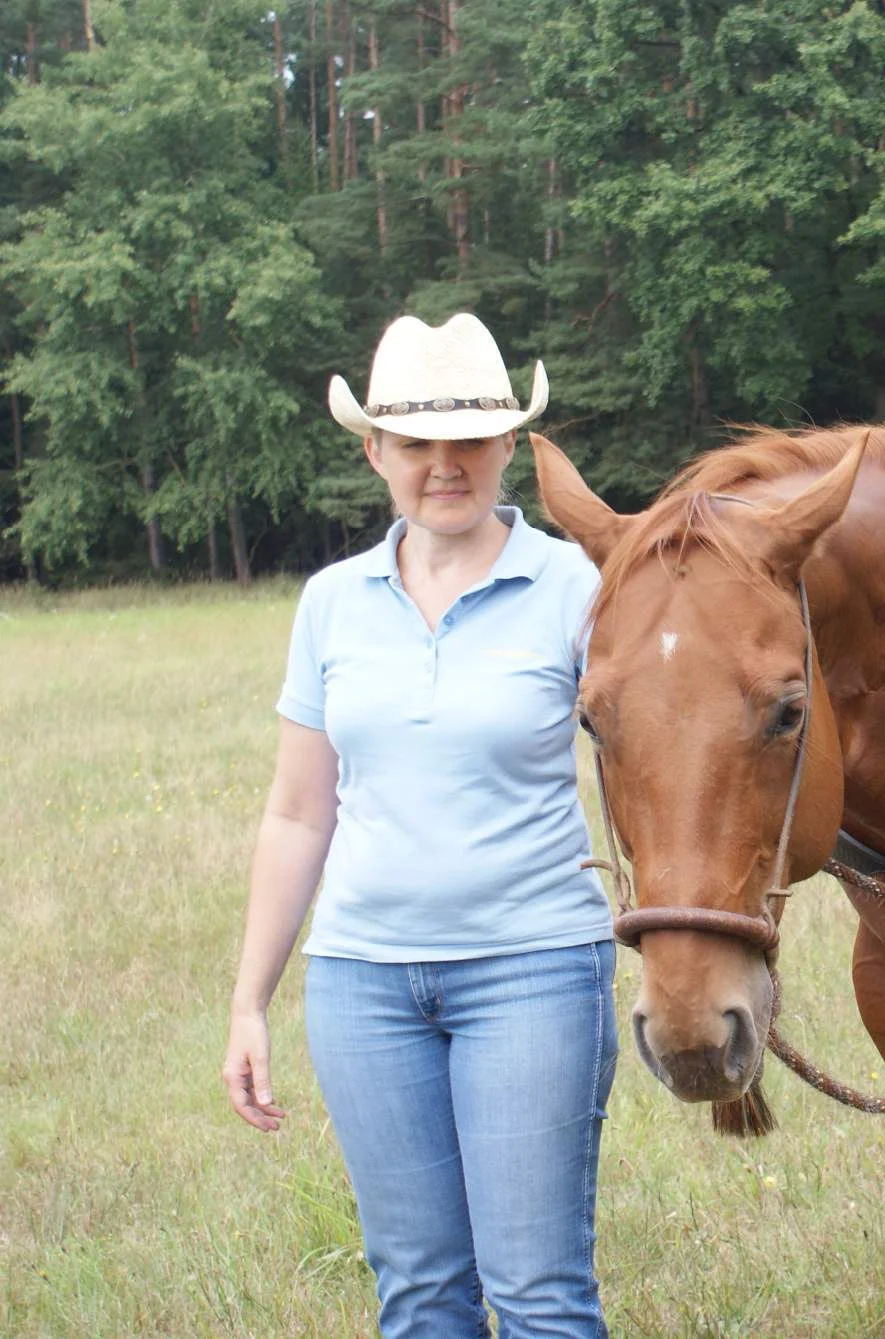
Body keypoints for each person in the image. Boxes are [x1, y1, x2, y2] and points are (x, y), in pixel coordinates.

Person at [222, 313, 616, 1338]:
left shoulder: (575, 589)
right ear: (375, 453)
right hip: (363, 985)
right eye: (417, 446)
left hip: (531, 970)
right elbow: (298, 810)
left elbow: (660, 751)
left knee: (537, 1293)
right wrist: (249, 1002)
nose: (445, 467)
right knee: (420, 1294)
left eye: (471, 442)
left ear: (504, 450)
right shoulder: (331, 603)